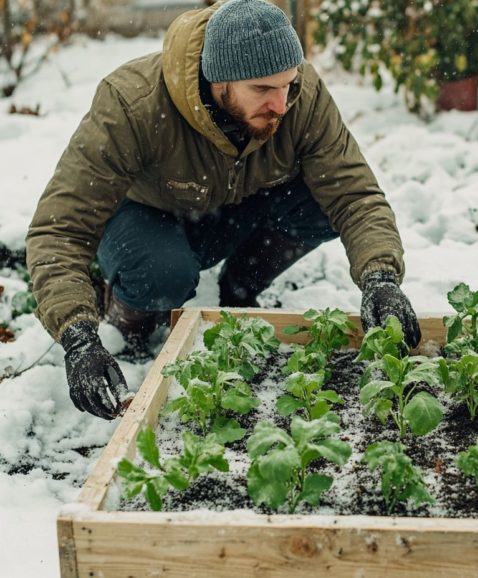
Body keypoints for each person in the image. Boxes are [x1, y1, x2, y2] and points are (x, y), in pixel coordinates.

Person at [26, 0, 421, 421]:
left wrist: (380, 277)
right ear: (219, 81)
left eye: (287, 85)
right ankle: (128, 325)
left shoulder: (298, 94)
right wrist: (78, 338)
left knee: (323, 204)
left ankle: (239, 286)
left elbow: (354, 193)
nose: (281, 104)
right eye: (263, 90)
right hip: (145, 215)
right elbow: (60, 228)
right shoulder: (131, 102)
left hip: (231, 208)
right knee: (163, 276)